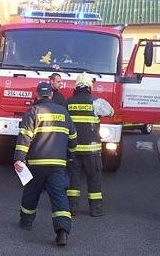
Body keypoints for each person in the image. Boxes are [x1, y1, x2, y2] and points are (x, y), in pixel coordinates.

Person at [13, 82, 77, 246]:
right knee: (59, 196)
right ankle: (62, 231)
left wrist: (19, 158)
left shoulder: (33, 111)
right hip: (58, 164)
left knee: (31, 192)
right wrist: (69, 156)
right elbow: (73, 138)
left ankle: (26, 221)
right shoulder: (64, 112)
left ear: (37, 95)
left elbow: (24, 137)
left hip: (36, 164)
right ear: (51, 95)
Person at [66, 72, 114, 217]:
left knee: (73, 180)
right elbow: (111, 112)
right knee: (94, 180)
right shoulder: (97, 102)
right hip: (92, 151)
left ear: (76, 86)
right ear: (89, 86)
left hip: (73, 150)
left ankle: (71, 208)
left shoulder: (68, 102)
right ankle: (96, 209)